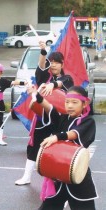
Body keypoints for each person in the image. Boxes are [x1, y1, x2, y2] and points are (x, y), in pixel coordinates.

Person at [29, 85, 98, 210]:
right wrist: (36, 95)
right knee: (49, 207)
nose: (70, 106)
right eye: (67, 102)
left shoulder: (88, 121)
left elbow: (74, 133)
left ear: (84, 103)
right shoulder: (63, 118)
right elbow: (50, 109)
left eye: (74, 102)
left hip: (77, 177)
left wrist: (57, 136)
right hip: (59, 173)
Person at [15, 41, 74, 185]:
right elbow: (41, 66)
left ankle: (60, 181)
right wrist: (43, 51)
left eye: (56, 62)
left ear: (62, 64)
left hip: (60, 119)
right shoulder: (43, 78)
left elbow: (61, 82)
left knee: (58, 148)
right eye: (51, 62)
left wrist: (52, 85)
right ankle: (27, 177)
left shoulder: (67, 78)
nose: (53, 65)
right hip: (42, 118)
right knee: (33, 146)